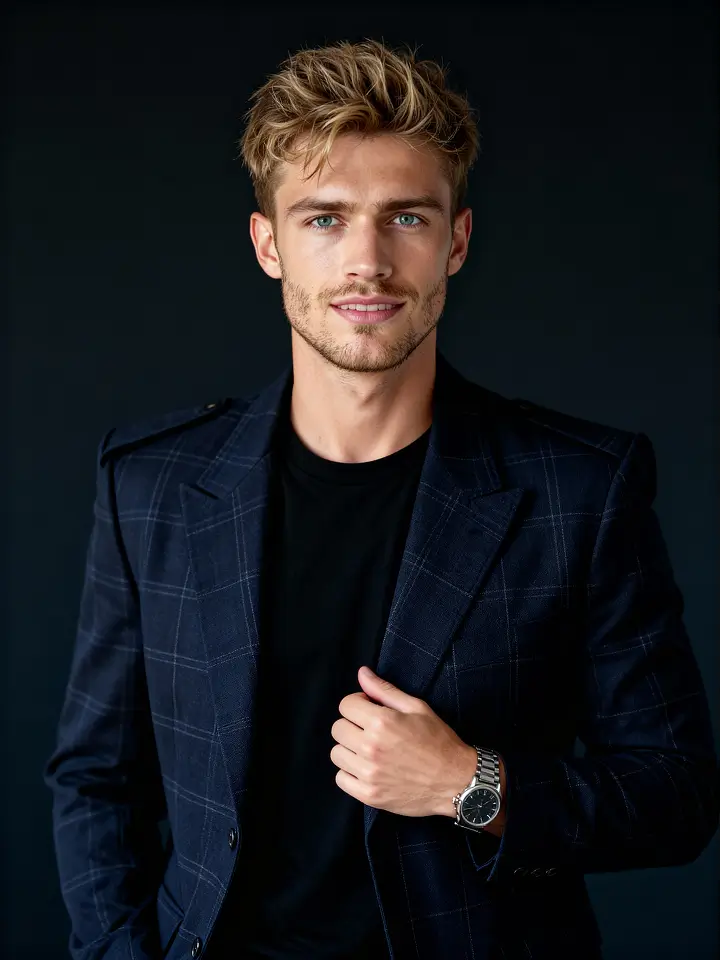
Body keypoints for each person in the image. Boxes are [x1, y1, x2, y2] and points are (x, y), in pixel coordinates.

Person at [44, 38, 719, 960]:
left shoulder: (579, 488)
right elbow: (95, 779)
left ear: (456, 241)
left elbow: (676, 794)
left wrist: (468, 785)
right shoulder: (150, 483)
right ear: (268, 244)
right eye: (324, 218)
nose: (367, 261)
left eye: (405, 216)